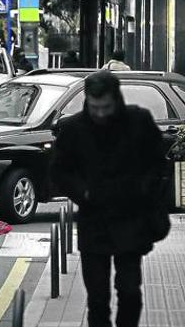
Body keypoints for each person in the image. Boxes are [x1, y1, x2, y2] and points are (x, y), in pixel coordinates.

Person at [50, 70, 165, 327]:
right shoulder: (73, 128)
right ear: (87, 101)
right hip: (94, 222)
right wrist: (84, 193)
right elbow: (59, 171)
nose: (100, 114)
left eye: (106, 107)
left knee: (130, 292)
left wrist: (142, 191)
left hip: (131, 220)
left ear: (117, 99)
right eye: (94, 108)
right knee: (98, 298)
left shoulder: (139, 122)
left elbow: (157, 164)